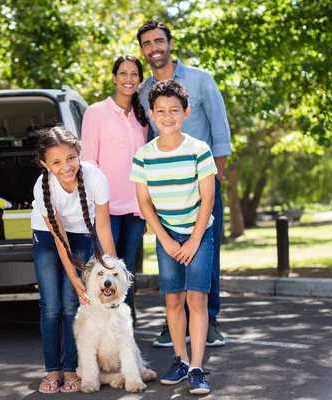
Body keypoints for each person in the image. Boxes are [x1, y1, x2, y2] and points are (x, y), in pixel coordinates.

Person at [136, 20, 231, 348]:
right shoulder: (142, 91)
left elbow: (220, 131)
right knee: (169, 251)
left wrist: (216, 178)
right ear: (143, 51)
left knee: (208, 250)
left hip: (203, 184)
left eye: (158, 41)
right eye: (147, 44)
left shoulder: (201, 80)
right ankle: (173, 324)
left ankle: (210, 320)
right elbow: (149, 139)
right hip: (166, 189)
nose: (154, 48)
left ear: (170, 43)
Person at [130, 79, 215, 394]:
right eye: (161, 111)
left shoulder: (199, 150)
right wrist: (164, 239)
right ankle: (179, 359)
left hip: (198, 234)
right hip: (166, 237)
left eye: (174, 110)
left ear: (186, 112)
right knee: (174, 299)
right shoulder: (144, 156)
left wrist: (193, 240)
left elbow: (208, 198)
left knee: (197, 299)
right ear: (151, 114)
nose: (168, 116)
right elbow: (144, 202)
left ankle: (196, 367)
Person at [31, 126, 117, 394]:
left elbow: (103, 228)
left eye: (70, 158)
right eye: (56, 162)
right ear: (45, 164)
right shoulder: (42, 187)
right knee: (51, 306)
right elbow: (59, 239)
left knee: (72, 304)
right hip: (48, 237)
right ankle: (52, 370)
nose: (66, 166)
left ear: (78, 154)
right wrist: (74, 277)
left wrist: (111, 269)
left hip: (82, 234)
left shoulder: (95, 178)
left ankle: (71, 369)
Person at [81, 54, 150, 307]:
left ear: (140, 80)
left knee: (125, 271)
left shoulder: (142, 119)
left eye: (134, 74)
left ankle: (125, 333)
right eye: (123, 73)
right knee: (104, 270)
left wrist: (146, 210)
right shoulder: (95, 112)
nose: (128, 79)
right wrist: (95, 207)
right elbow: (88, 162)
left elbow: (143, 166)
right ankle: (99, 333)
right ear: (114, 77)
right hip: (105, 209)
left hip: (135, 208)